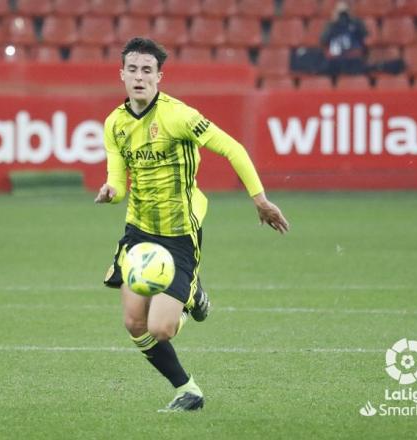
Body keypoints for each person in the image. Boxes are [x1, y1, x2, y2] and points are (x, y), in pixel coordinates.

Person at [94, 37, 289, 412]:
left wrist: (260, 199)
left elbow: (233, 148)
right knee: (134, 323)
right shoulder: (114, 124)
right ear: (122, 75)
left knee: (160, 328)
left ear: (159, 77)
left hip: (179, 231)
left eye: (146, 71)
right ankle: (189, 390)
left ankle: (193, 294)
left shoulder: (178, 116)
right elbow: (118, 181)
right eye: (132, 69)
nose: (139, 77)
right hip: (139, 231)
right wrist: (110, 191)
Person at [319, 0, 369, 76]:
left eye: (345, 12)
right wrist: (333, 23)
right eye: (341, 12)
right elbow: (323, 40)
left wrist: (352, 20)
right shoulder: (331, 25)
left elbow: (365, 36)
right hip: (335, 59)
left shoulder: (356, 23)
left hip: (353, 58)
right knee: (325, 69)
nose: (343, 15)